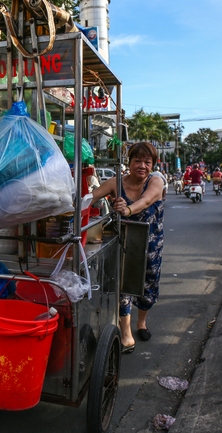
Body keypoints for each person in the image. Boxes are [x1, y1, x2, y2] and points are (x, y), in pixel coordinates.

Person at [91, 142, 164, 353]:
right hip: (124, 242)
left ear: (152, 165)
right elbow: (92, 197)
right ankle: (126, 334)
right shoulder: (116, 182)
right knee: (123, 283)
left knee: (148, 282)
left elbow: (147, 201)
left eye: (147, 162)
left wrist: (127, 210)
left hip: (152, 243)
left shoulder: (156, 181)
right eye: (137, 161)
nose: (142, 165)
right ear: (129, 162)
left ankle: (141, 322)